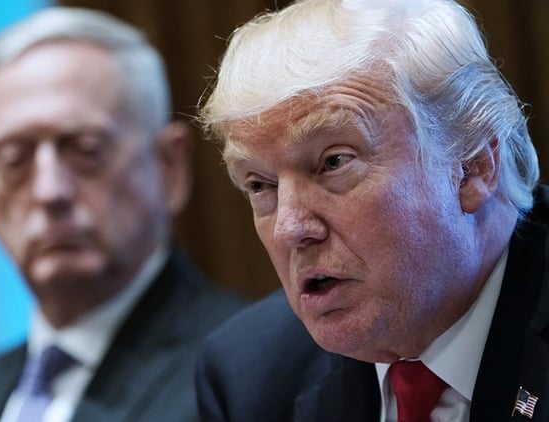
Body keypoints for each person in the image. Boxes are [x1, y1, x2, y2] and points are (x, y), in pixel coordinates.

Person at [195, 0, 549, 421]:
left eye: (333, 162)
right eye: (259, 185)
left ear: (472, 168)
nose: (290, 228)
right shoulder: (250, 376)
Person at [0, 6, 245, 422]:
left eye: (86, 150)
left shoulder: (242, 372)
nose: (50, 190)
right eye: (15, 159)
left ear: (168, 167)